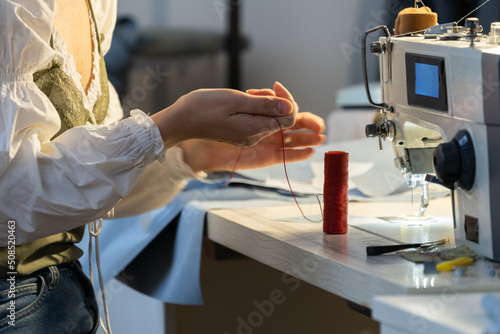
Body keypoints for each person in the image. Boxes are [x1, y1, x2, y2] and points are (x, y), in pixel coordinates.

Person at [0, 0, 325, 332]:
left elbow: (90, 186)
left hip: (61, 296)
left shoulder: (97, 6)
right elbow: (10, 200)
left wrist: (194, 150)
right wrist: (167, 128)